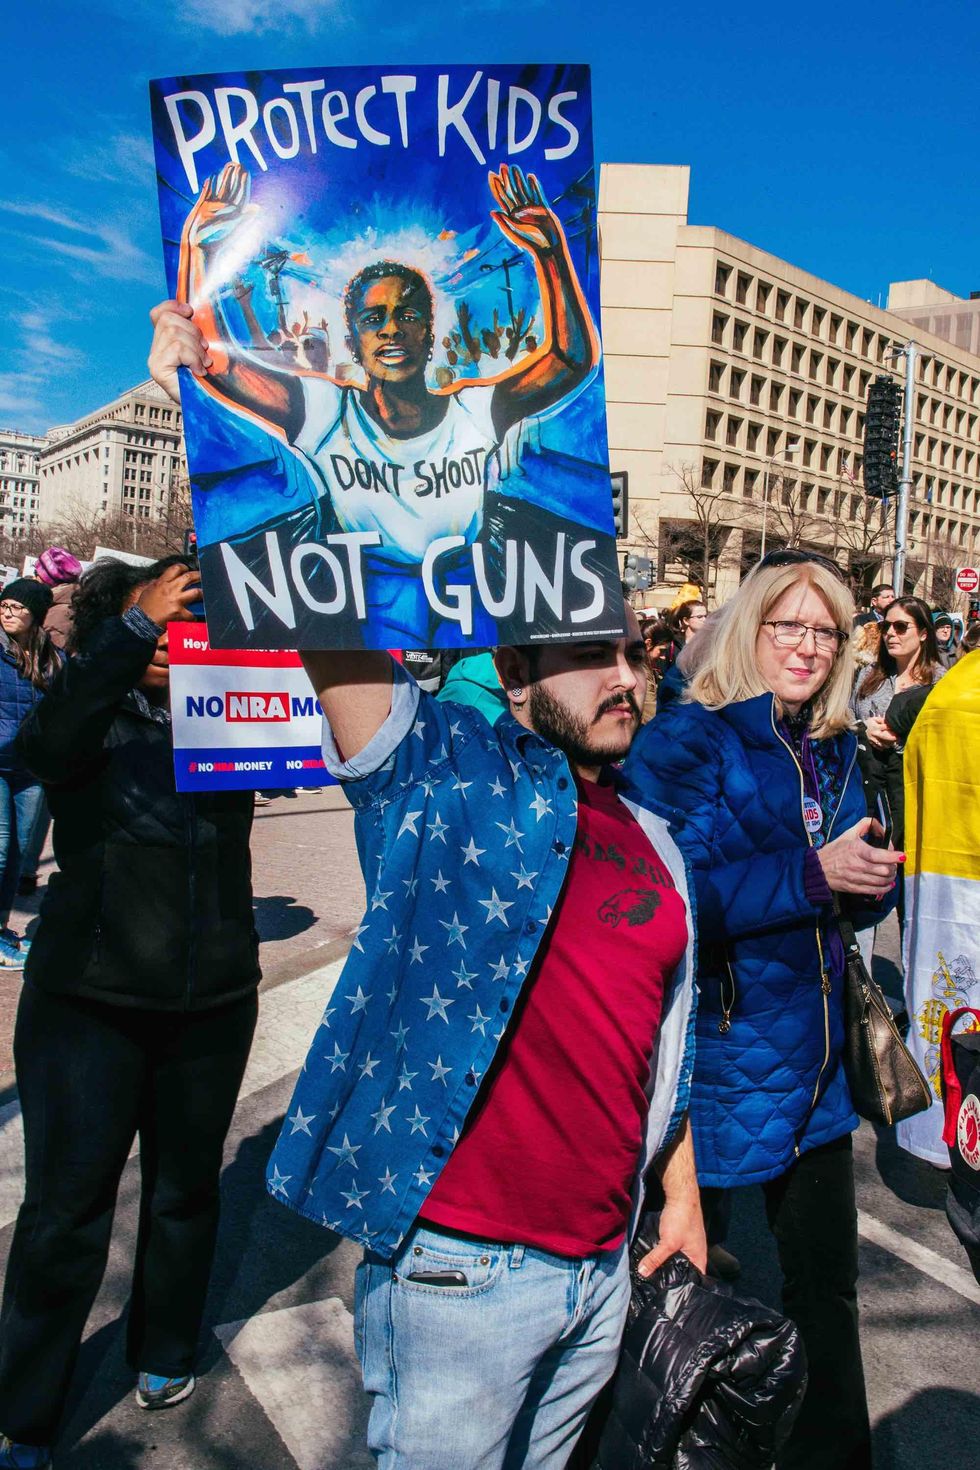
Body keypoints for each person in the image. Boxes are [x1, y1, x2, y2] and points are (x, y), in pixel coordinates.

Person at [265, 613, 704, 1468]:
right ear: (511, 669)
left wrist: (679, 1195)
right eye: (588, 655)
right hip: (463, 1275)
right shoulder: (445, 775)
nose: (623, 676)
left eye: (630, 653)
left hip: (604, 1266)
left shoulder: (655, 839)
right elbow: (322, 616)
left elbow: (665, 1041)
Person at [624, 557, 900, 1470]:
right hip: (712, 1061)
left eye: (826, 632)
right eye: (789, 626)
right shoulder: (687, 742)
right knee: (687, 1302)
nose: (809, 648)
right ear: (750, 630)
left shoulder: (829, 743)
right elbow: (662, 895)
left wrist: (863, 884)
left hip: (813, 1069)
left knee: (829, 1294)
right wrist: (810, 874)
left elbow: (840, 886)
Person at [0, 559, 260, 1469]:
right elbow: (36, 747)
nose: (175, 633)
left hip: (215, 997)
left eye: (191, 616)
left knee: (188, 1191)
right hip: (88, 1005)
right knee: (66, 1213)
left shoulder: (229, 704)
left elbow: (334, 732)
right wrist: (130, 637)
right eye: (160, 618)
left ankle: (163, 1350)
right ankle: (24, 1409)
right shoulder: (87, 714)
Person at [148, 160, 601, 645]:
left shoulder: (475, 411)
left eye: (407, 314)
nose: (390, 328)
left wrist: (552, 254)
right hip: (361, 642)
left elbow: (569, 361)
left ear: (429, 335)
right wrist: (200, 253)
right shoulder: (324, 411)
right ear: (353, 338)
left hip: (472, 629)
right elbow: (222, 368)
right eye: (373, 318)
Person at [850, 596, 944, 851]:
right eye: (885, 626)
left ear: (924, 633)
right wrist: (863, 727)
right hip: (864, 791)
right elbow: (842, 716)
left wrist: (901, 742)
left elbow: (941, 746)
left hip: (909, 796)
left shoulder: (940, 683)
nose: (891, 633)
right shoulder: (869, 674)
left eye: (901, 627)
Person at [0, 579, 60, 967]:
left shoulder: (54, 660)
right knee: (1, 848)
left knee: (20, 853)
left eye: (16, 607)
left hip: (31, 771)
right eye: (3, 605)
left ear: (35, 615)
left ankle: (2, 929)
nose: (6, 612)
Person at [34, 547, 83, 653]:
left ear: (48, 580)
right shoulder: (58, 603)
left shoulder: (59, 613)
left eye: (36, 574)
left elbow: (52, 660)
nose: (34, 579)